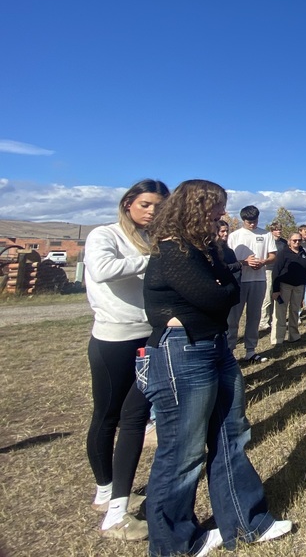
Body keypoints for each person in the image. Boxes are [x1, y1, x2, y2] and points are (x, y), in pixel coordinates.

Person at [142, 179, 291, 556]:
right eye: (215, 207)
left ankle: (246, 522)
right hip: (183, 351)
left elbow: (227, 290)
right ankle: (174, 543)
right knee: (183, 451)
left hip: (215, 346)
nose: (220, 215)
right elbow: (215, 294)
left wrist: (224, 283)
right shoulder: (172, 249)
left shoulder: (205, 248)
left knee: (231, 435)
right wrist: (224, 284)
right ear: (195, 206)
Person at [85, 179, 169, 541]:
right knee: (107, 414)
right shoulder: (105, 235)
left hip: (146, 333)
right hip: (113, 337)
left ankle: (116, 497)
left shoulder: (154, 240)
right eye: (146, 204)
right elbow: (103, 270)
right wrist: (151, 260)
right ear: (128, 203)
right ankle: (105, 490)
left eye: (158, 206)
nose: (151, 212)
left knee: (134, 415)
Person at [227, 206, 276, 364]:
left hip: (258, 280)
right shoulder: (234, 236)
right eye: (249, 222)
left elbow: (272, 255)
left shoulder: (266, 234)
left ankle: (250, 350)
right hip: (239, 281)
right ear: (243, 220)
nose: (252, 225)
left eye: (255, 221)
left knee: (254, 317)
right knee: (233, 318)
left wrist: (263, 262)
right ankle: (229, 351)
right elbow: (228, 261)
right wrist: (244, 262)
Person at [271, 231, 306, 345]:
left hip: (299, 286)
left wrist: (304, 281)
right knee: (280, 312)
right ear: (289, 241)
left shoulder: (303, 251)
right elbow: (276, 271)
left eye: (299, 240)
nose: (297, 242)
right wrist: (276, 289)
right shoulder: (284, 253)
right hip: (285, 286)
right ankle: (278, 338)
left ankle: (294, 336)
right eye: (294, 240)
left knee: (294, 311)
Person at [258, 222, 286, 331]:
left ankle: (276, 318)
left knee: (278, 296)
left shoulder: (284, 243)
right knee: (267, 296)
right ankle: (264, 321)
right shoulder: (268, 241)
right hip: (269, 270)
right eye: (276, 229)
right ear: (272, 230)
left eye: (280, 229)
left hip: (281, 271)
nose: (278, 231)